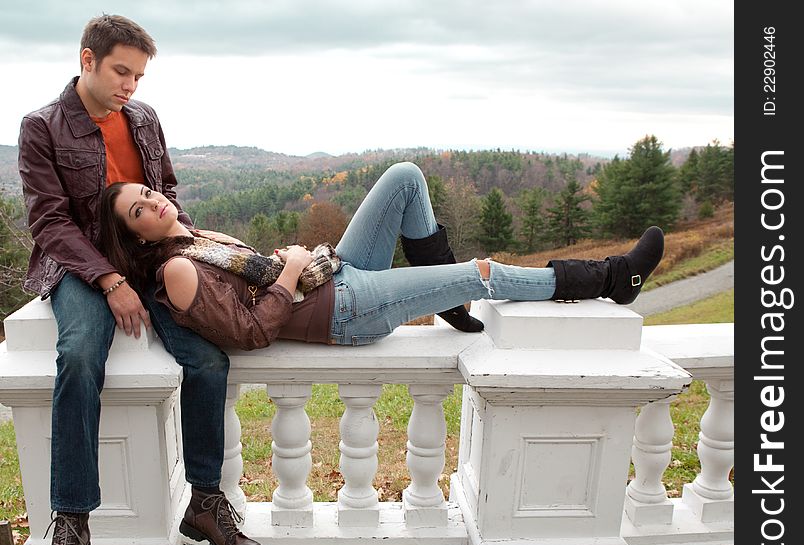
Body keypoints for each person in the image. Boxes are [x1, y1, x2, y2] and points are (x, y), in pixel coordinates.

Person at [18, 15, 262, 545]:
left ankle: (205, 501)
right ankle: (72, 523)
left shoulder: (144, 118)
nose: (131, 86)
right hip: (80, 265)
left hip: (154, 257)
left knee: (206, 360)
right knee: (78, 354)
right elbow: (50, 222)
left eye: (139, 76)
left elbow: (167, 189)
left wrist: (181, 243)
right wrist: (108, 279)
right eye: (121, 72)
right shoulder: (42, 127)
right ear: (87, 60)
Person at [98, 162, 664, 351]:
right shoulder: (174, 269)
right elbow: (250, 330)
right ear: (137, 239)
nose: (151, 201)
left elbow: (253, 281)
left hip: (334, 274)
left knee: (404, 177)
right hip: (340, 311)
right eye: (137, 210)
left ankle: (443, 296)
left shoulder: (197, 237)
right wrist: (291, 269)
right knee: (481, 273)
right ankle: (613, 277)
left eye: (145, 193)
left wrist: (289, 264)